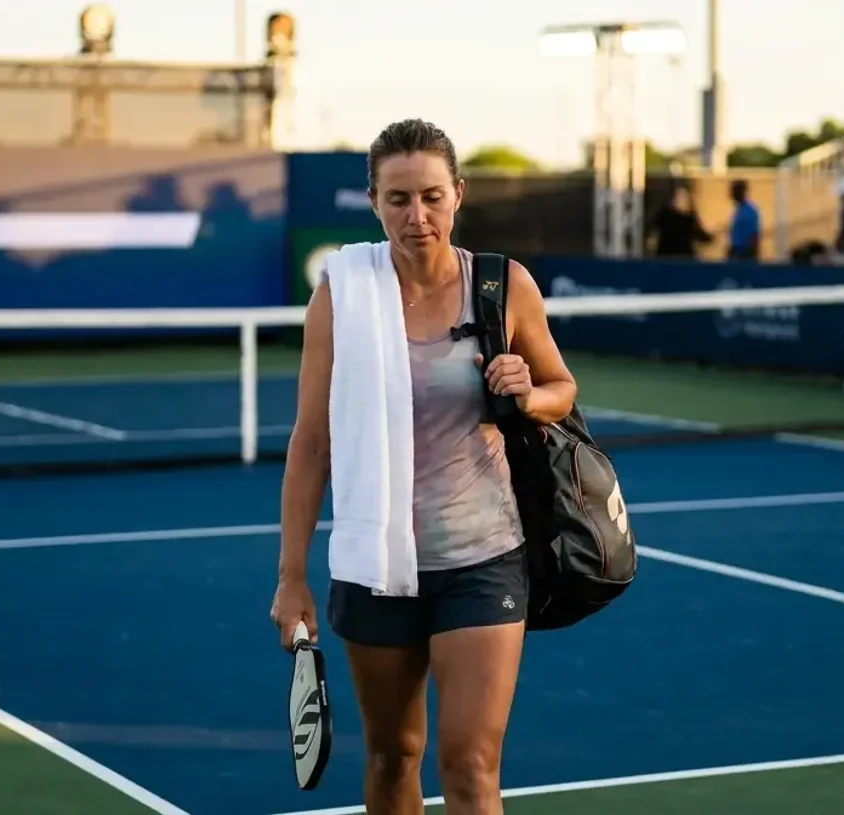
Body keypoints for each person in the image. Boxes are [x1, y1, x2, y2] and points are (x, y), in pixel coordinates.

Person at [270, 118, 578, 815]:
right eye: (400, 198)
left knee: (470, 767)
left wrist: (528, 391)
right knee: (392, 756)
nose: (418, 216)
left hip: (485, 556)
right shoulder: (341, 293)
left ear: (459, 195)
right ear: (374, 201)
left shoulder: (503, 285)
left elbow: (563, 390)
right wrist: (292, 577)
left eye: (433, 196)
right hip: (375, 566)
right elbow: (311, 441)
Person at [650, 183, 711, 257]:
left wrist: (712, 237)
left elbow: (700, 235)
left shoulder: (690, 217)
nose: (681, 200)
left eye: (684, 197)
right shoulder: (665, 214)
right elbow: (653, 229)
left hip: (684, 257)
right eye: (679, 197)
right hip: (666, 256)